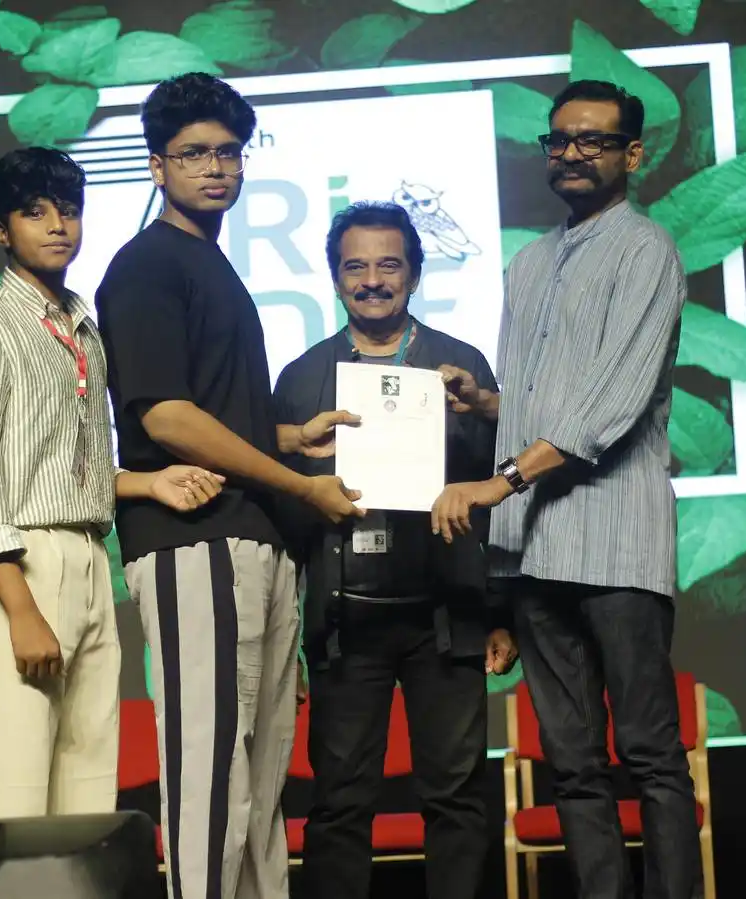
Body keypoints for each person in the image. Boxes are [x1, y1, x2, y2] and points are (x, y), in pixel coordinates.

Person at [430, 79, 700, 899]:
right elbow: (544, 404)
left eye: (594, 140)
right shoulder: (529, 263)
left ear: (632, 154)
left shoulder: (647, 250)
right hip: (537, 552)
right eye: (560, 140)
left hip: (617, 545)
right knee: (573, 763)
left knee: (649, 752)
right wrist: (488, 404)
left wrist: (499, 481)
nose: (573, 153)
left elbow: (610, 408)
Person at [94, 72, 362, 899]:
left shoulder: (211, 263)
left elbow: (213, 409)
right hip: (196, 539)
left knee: (261, 775)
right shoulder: (146, 266)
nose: (216, 168)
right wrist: (300, 482)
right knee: (209, 771)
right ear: (156, 165)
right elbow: (166, 417)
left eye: (229, 153)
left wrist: (292, 438)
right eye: (194, 154)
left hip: (253, 536)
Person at [0, 146, 227, 818]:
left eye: (69, 211)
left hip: (87, 554)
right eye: (35, 213)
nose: (58, 225)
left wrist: (147, 483)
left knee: (89, 781)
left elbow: (63, 465)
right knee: (16, 788)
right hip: (23, 563)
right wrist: (20, 608)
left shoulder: (82, 322)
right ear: (2, 232)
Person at [272, 200, 518, 899]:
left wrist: (501, 611)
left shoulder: (460, 366)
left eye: (389, 265)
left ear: (414, 273)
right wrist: (284, 633)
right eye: (356, 266)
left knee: (457, 797)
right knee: (340, 802)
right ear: (334, 277)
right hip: (345, 620)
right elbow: (283, 517)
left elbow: (501, 495)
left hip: (448, 615)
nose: (373, 280)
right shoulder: (302, 377)